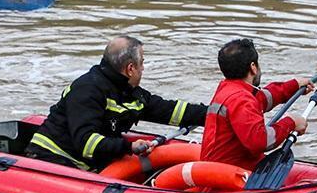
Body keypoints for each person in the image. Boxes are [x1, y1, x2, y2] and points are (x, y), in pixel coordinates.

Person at [29, 36, 209, 172]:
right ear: (130, 68)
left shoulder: (127, 92)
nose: (143, 68)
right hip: (50, 159)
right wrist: (128, 147)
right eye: (142, 63)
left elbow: (169, 110)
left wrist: (216, 113)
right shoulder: (87, 90)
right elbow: (87, 143)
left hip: (82, 163)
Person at [200, 38, 314, 170]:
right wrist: (291, 123)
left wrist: (294, 86)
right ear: (253, 67)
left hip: (218, 169)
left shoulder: (228, 90)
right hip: (229, 175)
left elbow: (262, 99)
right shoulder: (242, 100)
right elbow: (260, 142)